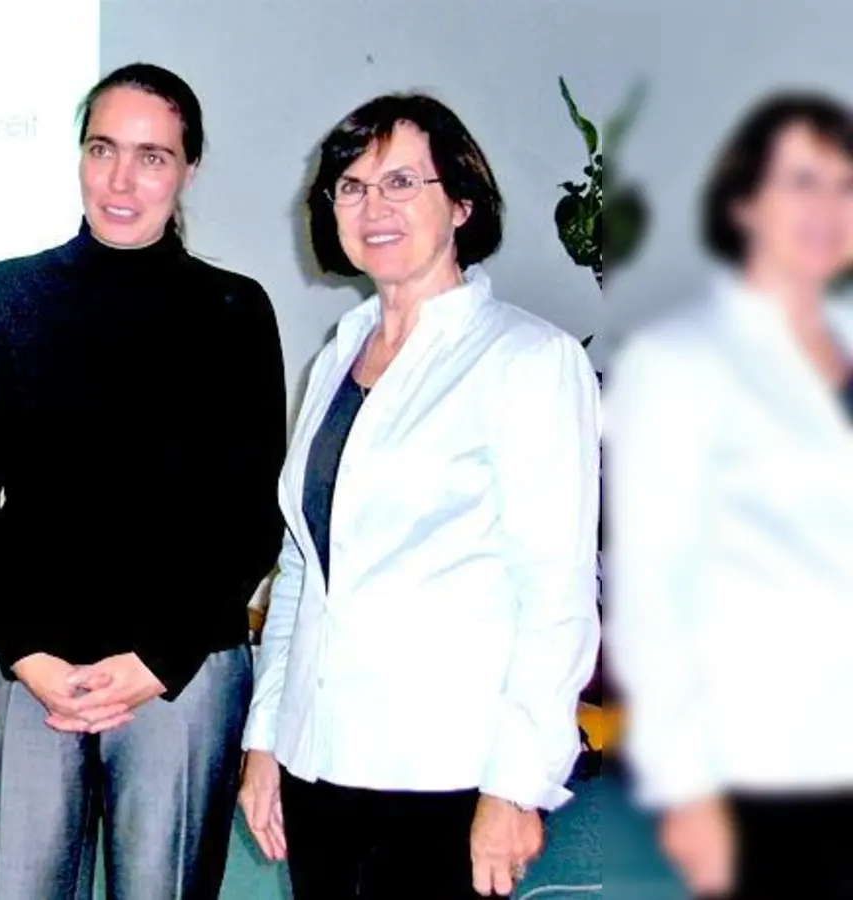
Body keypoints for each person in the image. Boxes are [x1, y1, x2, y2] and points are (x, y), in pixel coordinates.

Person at [237, 93, 602, 899]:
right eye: (353, 186)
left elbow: (557, 596)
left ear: (462, 203)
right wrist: (268, 738)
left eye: (403, 182)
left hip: (449, 775)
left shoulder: (527, 361)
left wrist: (517, 786)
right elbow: (304, 567)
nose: (375, 206)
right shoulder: (339, 355)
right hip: (321, 760)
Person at [0, 62, 287, 899]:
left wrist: (157, 661)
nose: (122, 180)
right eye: (103, 149)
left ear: (189, 168)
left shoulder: (235, 311)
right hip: (29, 662)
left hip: (180, 670)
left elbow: (251, 520)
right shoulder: (8, 294)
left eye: (152, 156)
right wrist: (25, 652)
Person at [606, 92, 853, 899]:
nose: (826, 209)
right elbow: (652, 590)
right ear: (744, 202)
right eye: (801, 183)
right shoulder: (678, 368)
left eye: (844, 186)